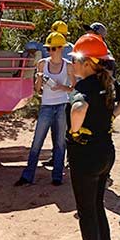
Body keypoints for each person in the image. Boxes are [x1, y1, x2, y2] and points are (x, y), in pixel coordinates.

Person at [66, 33, 115, 240]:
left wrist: (75, 131)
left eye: (75, 59)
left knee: (87, 212)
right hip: (105, 151)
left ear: (87, 62)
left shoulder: (84, 87)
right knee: (97, 207)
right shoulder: (105, 83)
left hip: (86, 156)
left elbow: (79, 107)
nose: (71, 63)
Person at [15, 32, 75, 186]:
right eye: (49, 48)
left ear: (61, 48)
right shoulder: (42, 63)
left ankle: (57, 176)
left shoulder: (68, 65)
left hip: (62, 105)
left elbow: (73, 88)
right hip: (46, 106)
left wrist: (61, 87)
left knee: (60, 143)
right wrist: (40, 78)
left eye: (53, 48)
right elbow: (37, 89)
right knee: (37, 142)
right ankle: (27, 175)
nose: (50, 51)